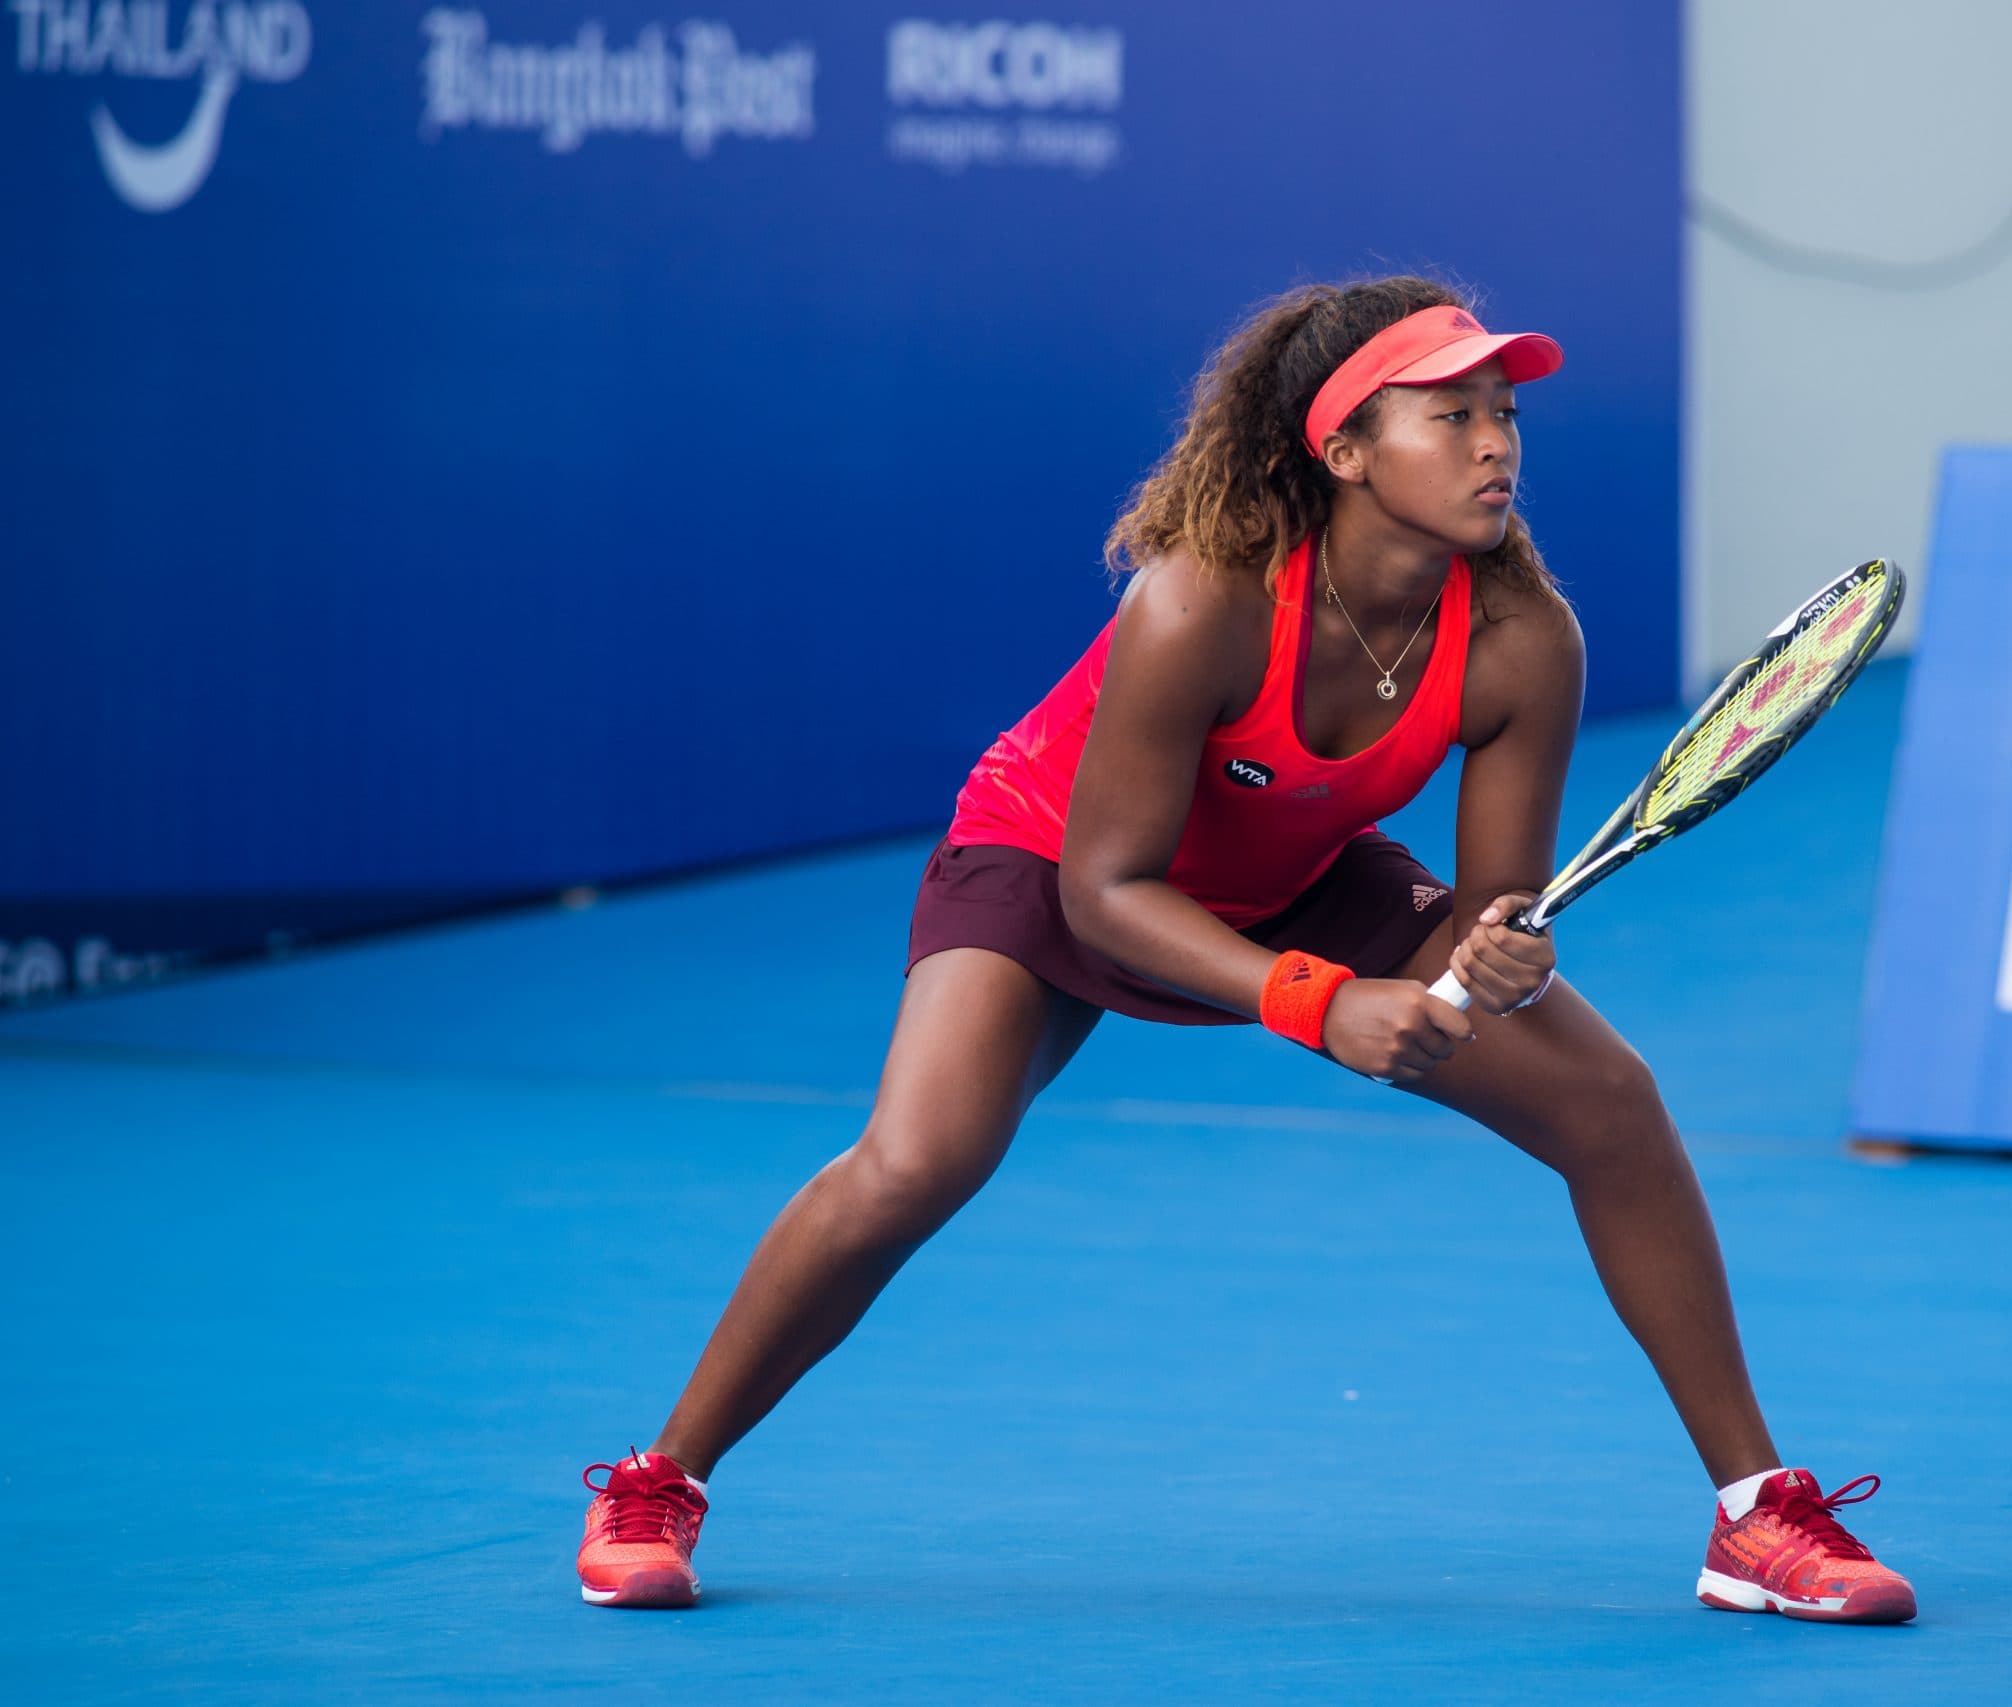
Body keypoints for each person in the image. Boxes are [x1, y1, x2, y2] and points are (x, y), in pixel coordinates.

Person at [574, 276, 1916, 1625]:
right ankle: (659, 1479)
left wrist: (1496, 955)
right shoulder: (1202, 599)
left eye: (1504, 415)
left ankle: (1756, 1514)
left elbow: (1493, 905)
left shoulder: (1522, 641)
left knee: (1611, 1105)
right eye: (1451, 416)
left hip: (1296, 869)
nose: (1496, 445)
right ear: (1345, 450)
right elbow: (1107, 891)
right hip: (1057, 859)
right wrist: (1323, 1003)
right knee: (919, 1161)